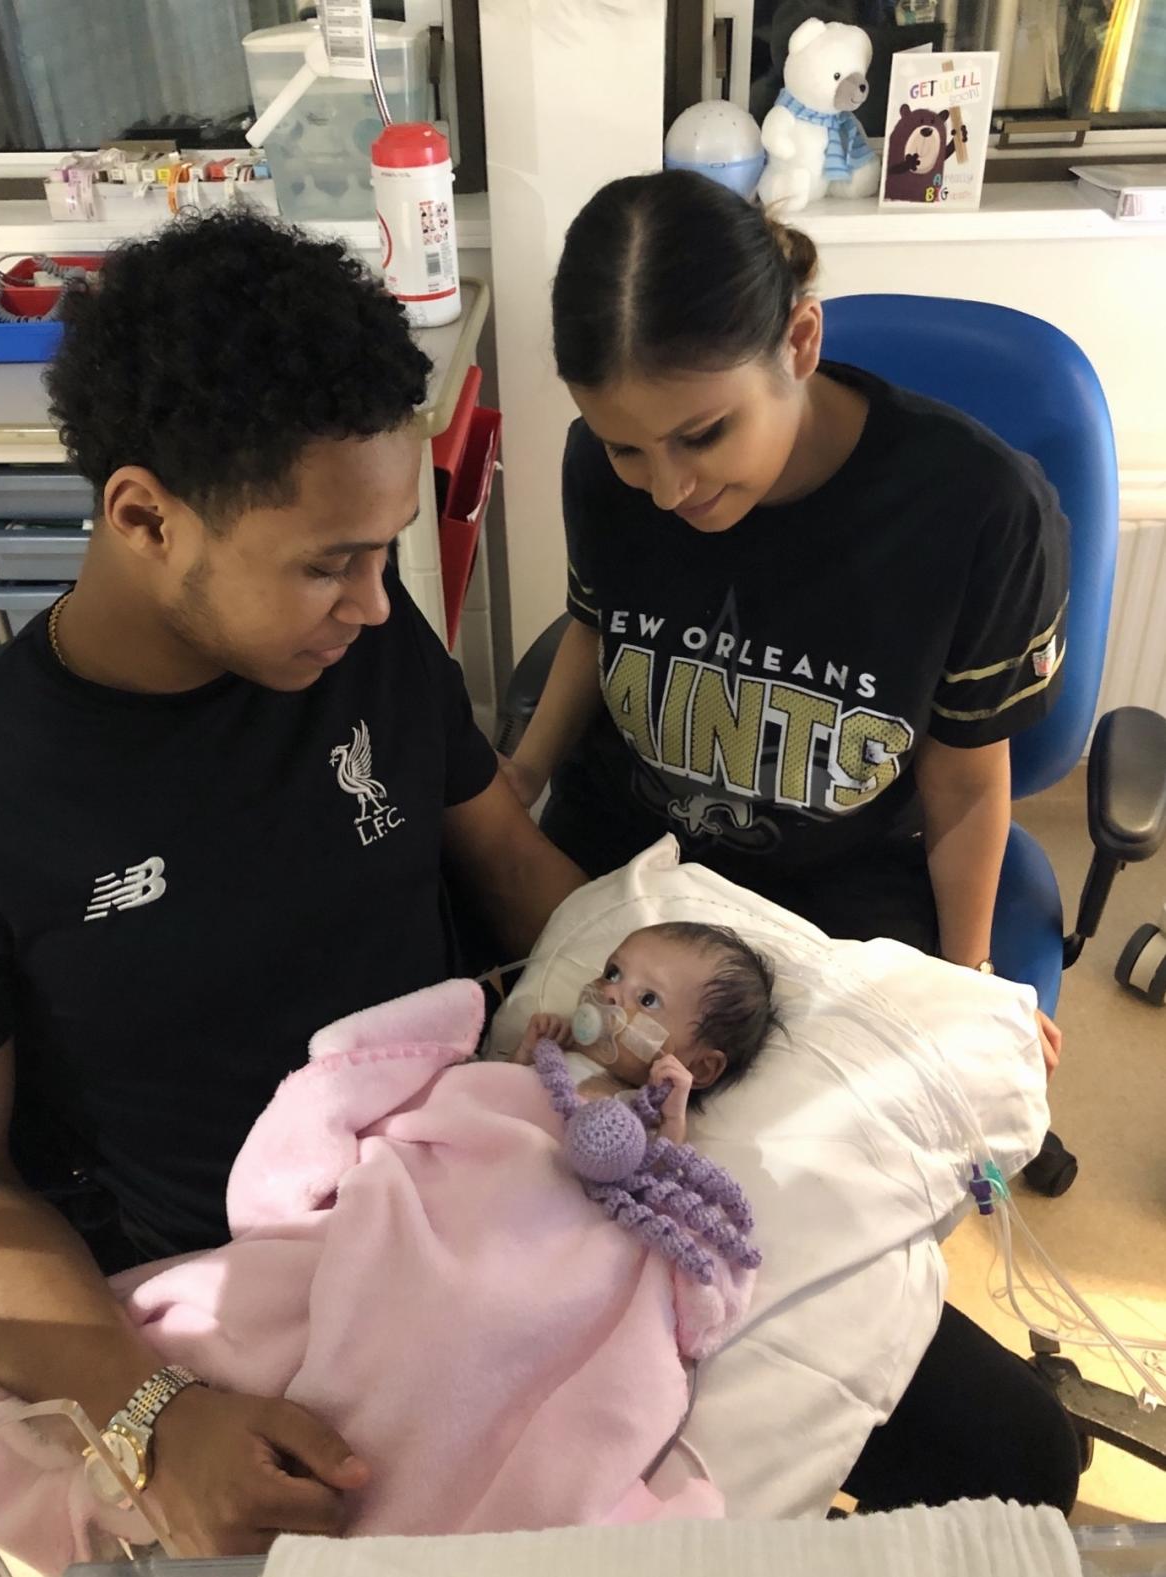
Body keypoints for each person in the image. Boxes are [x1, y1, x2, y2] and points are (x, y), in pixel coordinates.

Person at [0, 211, 584, 1557]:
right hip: (226, 1297)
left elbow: (519, 874)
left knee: (989, 1444)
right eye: (326, 562)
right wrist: (146, 1412)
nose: (378, 606)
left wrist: (684, 992)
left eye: (383, 546)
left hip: (478, 1190)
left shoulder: (365, 654)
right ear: (144, 516)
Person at [501, 170, 1078, 1512]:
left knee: (759, 1260)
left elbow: (962, 786)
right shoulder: (617, 473)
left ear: (799, 344)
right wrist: (517, 770)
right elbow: (595, 624)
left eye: (702, 437)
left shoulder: (972, 510)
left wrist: (969, 984)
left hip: (837, 912)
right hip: (631, 885)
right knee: (526, 1192)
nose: (664, 489)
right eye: (627, 449)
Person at [514, 921, 778, 1144]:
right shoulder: (554, 1054)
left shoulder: (642, 1113)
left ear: (700, 1068)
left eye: (648, 1000)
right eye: (613, 973)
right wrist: (525, 1054)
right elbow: (495, 1095)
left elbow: (653, 1173)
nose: (608, 992)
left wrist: (672, 1121)